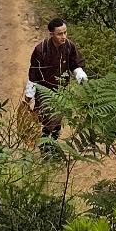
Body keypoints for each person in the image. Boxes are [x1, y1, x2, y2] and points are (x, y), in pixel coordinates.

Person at [24, 16, 88, 144]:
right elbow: (34, 72)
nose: (63, 36)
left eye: (65, 32)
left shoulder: (69, 46)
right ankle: (45, 147)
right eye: (59, 34)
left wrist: (80, 75)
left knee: (57, 119)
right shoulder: (41, 50)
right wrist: (29, 95)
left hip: (61, 91)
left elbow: (74, 64)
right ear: (51, 33)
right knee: (47, 120)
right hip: (44, 91)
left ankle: (52, 146)